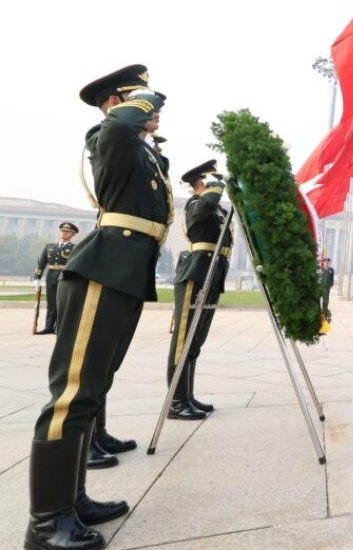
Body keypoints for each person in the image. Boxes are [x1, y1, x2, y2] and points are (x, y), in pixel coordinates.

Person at [26, 65, 170, 550]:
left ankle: (74, 499)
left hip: (125, 273)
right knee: (72, 394)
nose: (153, 113)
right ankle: (46, 524)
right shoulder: (106, 134)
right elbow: (117, 126)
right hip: (101, 271)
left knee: (93, 389)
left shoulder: (142, 153)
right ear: (119, 101)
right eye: (141, 101)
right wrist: (149, 98)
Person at [167, 160, 233, 421]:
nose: (216, 187)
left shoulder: (213, 210)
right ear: (200, 184)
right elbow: (208, 203)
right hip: (196, 273)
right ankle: (176, 401)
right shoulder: (196, 204)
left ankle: (187, 396)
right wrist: (218, 185)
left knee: (196, 339)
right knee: (184, 338)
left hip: (212, 272)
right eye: (210, 181)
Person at [33, 222, 80, 335]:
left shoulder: (74, 248)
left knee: (62, 303)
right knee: (51, 303)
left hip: (66, 277)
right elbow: (41, 263)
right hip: (51, 276)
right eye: (62, 231)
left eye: (67, 232)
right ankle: (49, 326)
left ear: (72, 234)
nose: (64, 233)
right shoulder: (49, 246)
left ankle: (59, 327)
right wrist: (37, 278)